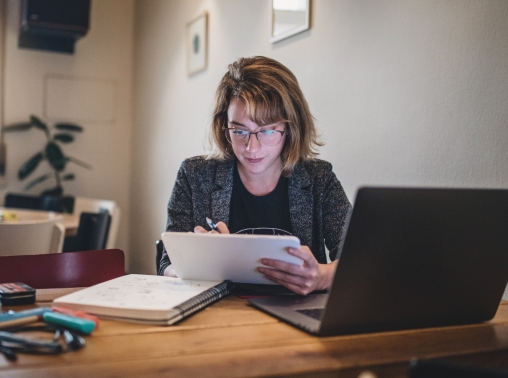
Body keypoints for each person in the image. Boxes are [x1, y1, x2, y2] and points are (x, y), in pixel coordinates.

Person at [159, 56, 351, 295]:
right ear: (224, 125)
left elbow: (360, 260)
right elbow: (167, 265)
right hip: (219, 315)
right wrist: (201, 263)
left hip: (297, 313)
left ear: (290, 127)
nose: (252, 147)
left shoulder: (319, 179)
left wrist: (322, 277)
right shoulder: (195, 175)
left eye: (267, 130)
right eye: (239, 131)